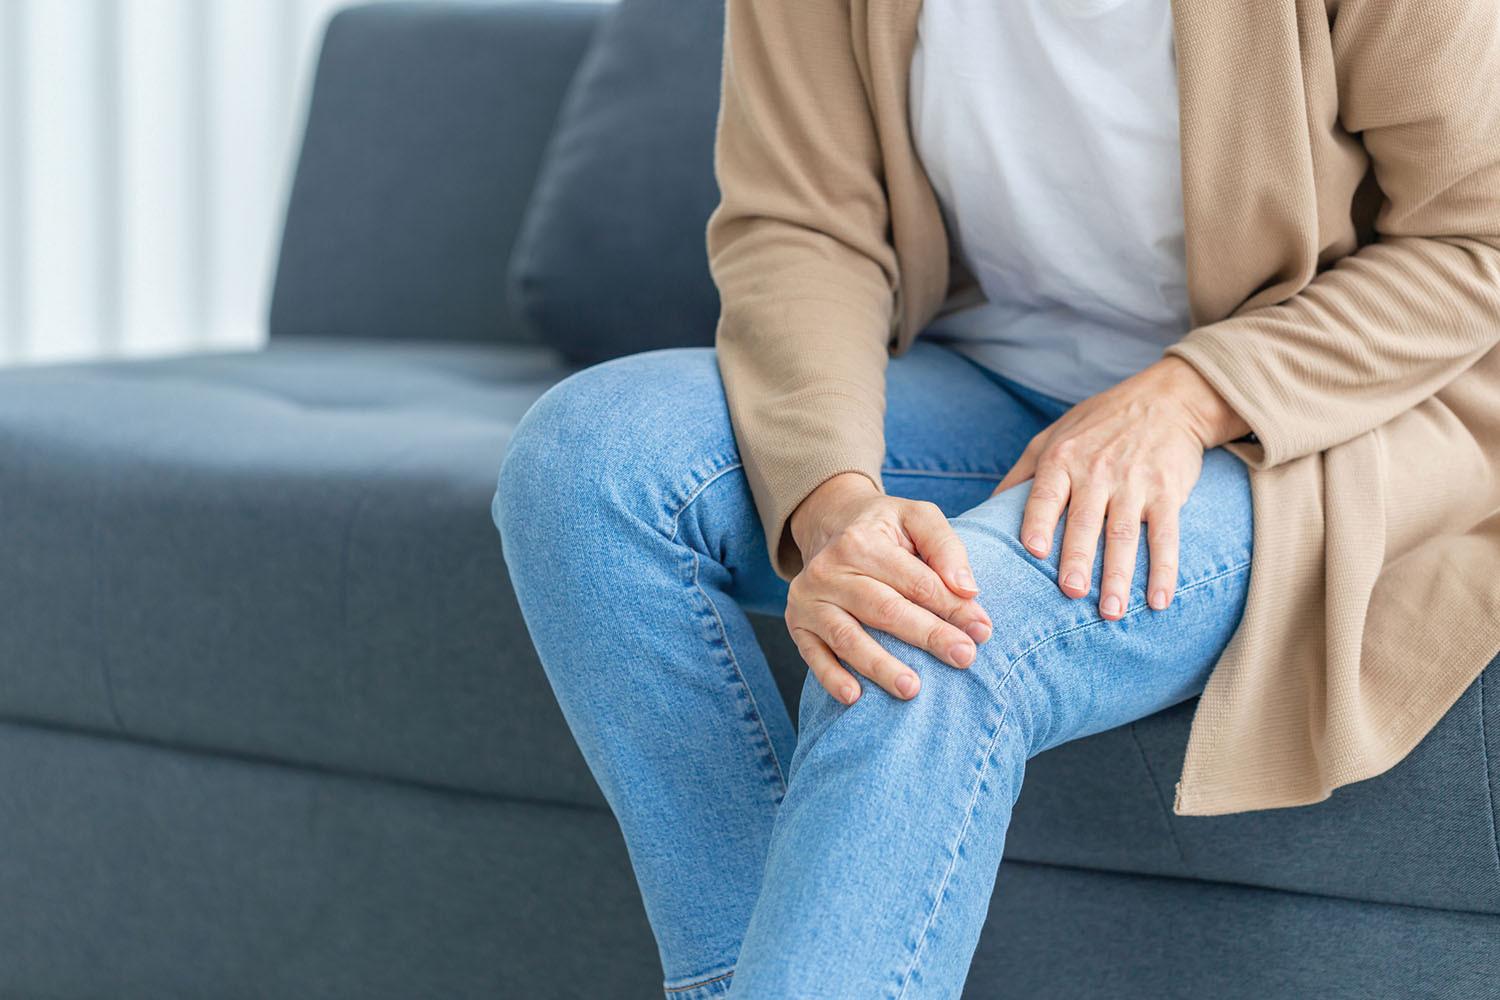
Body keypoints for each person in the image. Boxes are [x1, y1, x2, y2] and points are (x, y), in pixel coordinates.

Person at [494, 0, 1500, 996]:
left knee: (924, 637)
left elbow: (1477, 242)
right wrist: (837, 507)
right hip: (990, 385)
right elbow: (801, 222)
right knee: (590, 469)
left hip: (1305, 417)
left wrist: (1191, 396)